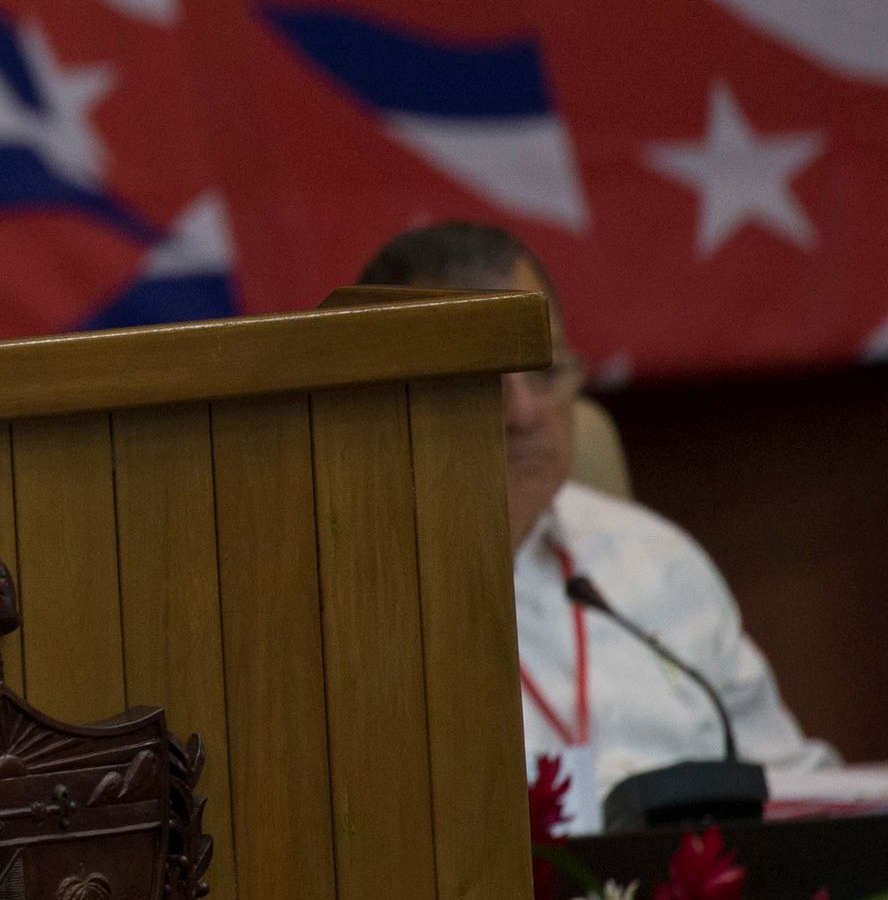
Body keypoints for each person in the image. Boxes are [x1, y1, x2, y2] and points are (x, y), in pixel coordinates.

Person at [357, 222, 838, 828]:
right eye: (481, 377)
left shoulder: (655, 559)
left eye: (543, 370)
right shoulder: (343, 602)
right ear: (378, 396)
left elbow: (797, 794)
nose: (523, 413)